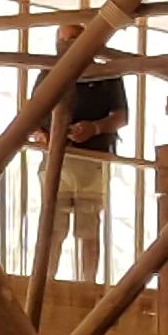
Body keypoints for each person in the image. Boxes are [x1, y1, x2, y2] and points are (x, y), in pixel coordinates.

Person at [50, 62, 131, 280]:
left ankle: (88, 282)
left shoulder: (107, 75)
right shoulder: (48, 72)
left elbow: (121, 116)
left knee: (88, 227)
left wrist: (94, 128)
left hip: (93, 158)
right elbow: (32, 113)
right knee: (53, 225)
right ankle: (46, 279)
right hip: (57, 158)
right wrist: (43, 135)